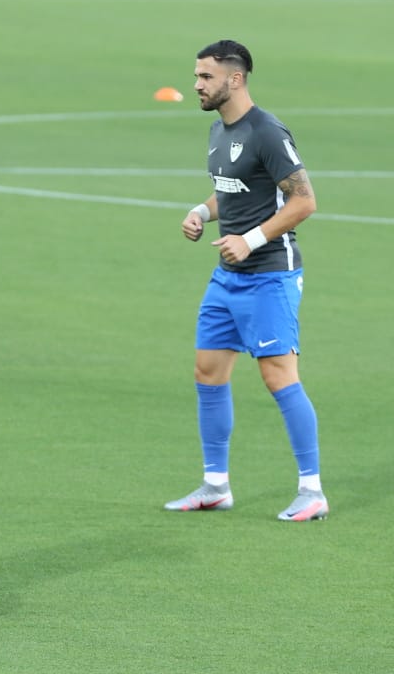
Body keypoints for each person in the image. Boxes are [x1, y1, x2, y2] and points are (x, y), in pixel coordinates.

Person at [165, 39, 327, 522]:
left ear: (235, 79)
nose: (197, 85)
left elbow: (304, 201)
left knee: (279, 377)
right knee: (208, 371)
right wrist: (200, 212)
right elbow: (230, 191)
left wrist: (251, 240)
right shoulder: (219, 129)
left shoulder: (266, 131)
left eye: (206, 77)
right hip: (228, 277)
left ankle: (312, 491)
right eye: (196, 76)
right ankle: (215, 486)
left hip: (270, 275)